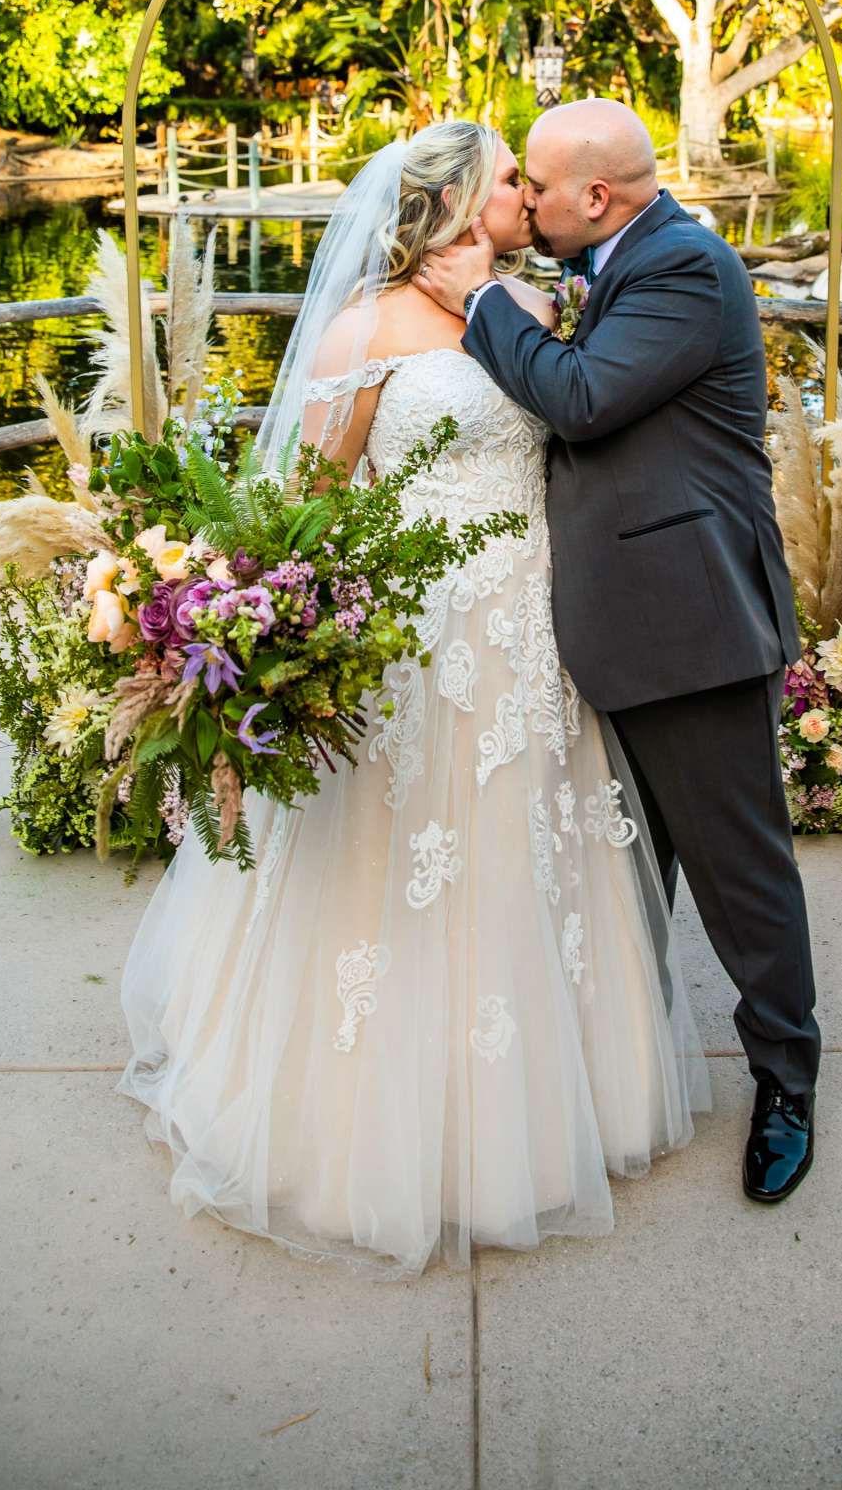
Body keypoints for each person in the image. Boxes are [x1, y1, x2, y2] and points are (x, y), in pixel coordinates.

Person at [118, 121, 707, 1275]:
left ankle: (553, 1113)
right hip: (415, 636)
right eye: (506, 183)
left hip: (534, 629)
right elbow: (313, 496)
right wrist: (285, 623)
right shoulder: (363, 328)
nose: (524, 199)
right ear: (452, 204)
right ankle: (368, 1132)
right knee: (404, 859)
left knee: (528, 850)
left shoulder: (534, 313)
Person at [416, 98, 819, 1204]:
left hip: (685, 625)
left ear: (595, 197)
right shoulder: (623, 257)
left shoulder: (683, 267)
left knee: (739, 876)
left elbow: (584, 402)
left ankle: (786, 1080)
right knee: (626, 869)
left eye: (537, 187)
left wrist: (486, 303)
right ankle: (624, 1062)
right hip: (603, 625)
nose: (528, 204)